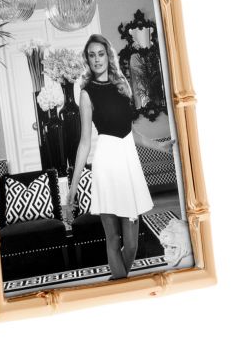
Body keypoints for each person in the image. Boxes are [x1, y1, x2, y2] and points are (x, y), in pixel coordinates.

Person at [66, 34, 173, 281]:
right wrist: (73, 187)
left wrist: (160, 146)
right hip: (106, 164)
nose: (97, 59)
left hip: (128, 162)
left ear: (108, 55)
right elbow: (84, 142)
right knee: (113, 239)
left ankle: (117, 282)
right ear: (87, 60)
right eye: (91, 55)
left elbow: (130, 132)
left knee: (132, 243)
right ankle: (122, 286)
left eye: (100, 54)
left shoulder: (122, 85)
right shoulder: (86, 94)